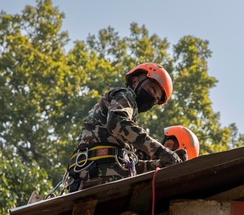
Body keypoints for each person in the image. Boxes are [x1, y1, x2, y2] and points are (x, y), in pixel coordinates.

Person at [64, 62, 181, 192]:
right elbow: (117, 123)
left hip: (96, 175)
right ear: (135, 81)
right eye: (151, 90)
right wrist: (161, 151)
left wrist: (161, 164)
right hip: (98, 175)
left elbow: (130, 165)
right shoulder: (124, 95)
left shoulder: (129, 131)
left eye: (156, 99)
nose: (151, 98)